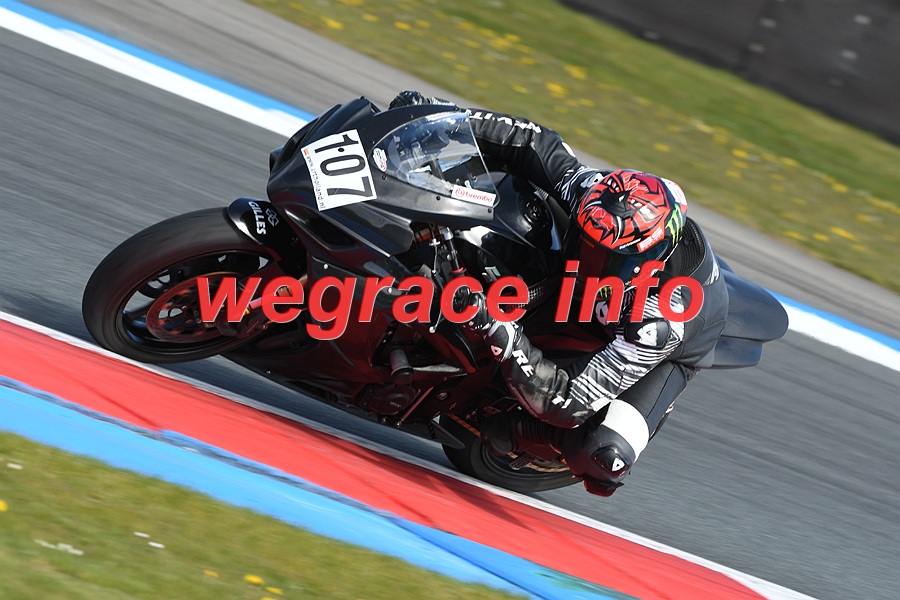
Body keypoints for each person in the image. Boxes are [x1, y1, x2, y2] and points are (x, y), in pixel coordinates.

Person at [390, 91, 730, 497]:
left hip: (659, 346)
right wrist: (442, 119)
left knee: (604, 455)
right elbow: (534, 141)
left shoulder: (658, 322)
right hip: (590, 293)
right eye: (584, 241)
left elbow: (566, 401)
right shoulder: (598, 198)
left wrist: (496, 327)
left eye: (603, 256)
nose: (586, 255)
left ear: (645, 263)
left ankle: (522, 431)